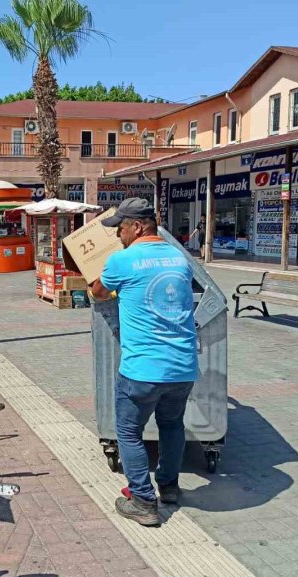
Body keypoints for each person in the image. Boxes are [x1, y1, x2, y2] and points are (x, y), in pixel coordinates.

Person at [91, 198, 198, 527]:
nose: (118, 235)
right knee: (171, 425)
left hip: (143, 370)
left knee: (128, 431)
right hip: (183, 366)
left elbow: (98, 292)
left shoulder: (122, 260)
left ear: (138, 226)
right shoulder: (180, 259)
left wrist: (103, 285)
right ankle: (169, 487)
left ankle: (142, 501)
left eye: (121, 228)